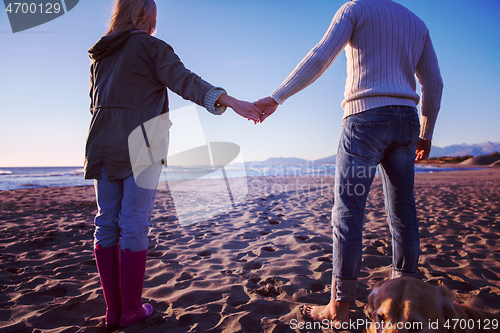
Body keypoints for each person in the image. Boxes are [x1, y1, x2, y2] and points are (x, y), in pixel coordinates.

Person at [255, 0, 443, 325]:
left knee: (348, 210)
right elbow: (434, 83)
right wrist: (426, 134)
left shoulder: (354, 9)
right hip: (407, 121)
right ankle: (405, 296)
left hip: (365, 118)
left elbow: (320, 56)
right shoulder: (417, 23)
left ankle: (339, 308)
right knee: (402, 210)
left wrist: (277, 97)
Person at [84, 0, 262, 329]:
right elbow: (185, 81)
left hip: (101, 144)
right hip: (143, 144)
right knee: (133, 225)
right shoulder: (149, 46)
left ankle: (113, 311)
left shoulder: (101, 54)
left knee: (106, 223)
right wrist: (232, 101)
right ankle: (132, 309)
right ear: (144, 15)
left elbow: (95, 102)